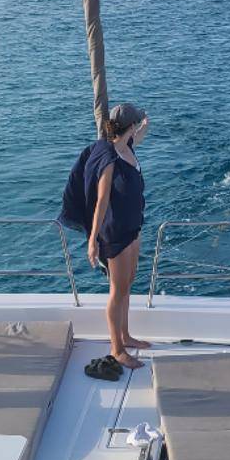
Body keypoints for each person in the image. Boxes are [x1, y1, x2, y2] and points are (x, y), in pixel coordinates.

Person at [84, 103, 151, 370]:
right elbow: (101, 202)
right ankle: (117, 349)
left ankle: (126, 335)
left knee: (128, 284)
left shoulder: (128, 146)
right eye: (136, 125)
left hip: (133, 228)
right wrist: (92, 241)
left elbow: (141, 134)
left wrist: (145, 123)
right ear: (129, 127)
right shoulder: (110, 159)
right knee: (118, 290)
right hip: (116, 233)